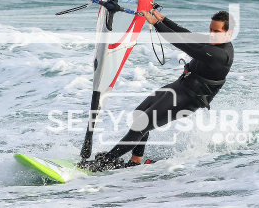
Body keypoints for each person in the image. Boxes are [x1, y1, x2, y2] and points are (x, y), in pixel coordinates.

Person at [81, 9, 235, 171]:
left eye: (216, 32)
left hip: (189, 98)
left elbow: (182, 44)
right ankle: (135, 161)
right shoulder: (214, 42)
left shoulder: (220, 54)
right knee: (139, 115)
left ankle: (105, 161)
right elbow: (187, 35)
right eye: (210, 30)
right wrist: (164, 20)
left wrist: (156, 23)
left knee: (141, 125)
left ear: (229, 33)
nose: (211, 34)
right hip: (180, 86)